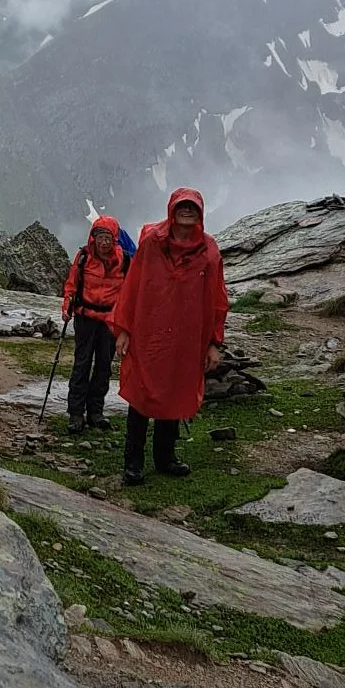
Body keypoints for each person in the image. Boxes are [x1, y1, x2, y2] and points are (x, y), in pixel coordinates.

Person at [113, 188, 226, 486]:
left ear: (200, 212)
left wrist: (214, 343)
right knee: (141, 394)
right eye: (181, 206)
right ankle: (133, 462)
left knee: (174, 393)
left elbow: (218, 300)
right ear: (171, 210)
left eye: (192, 207)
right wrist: (123, 329)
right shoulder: (152, 243)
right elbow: (133, 287)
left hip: (187, 339)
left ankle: (165, 458)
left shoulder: (210, 252)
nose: (186, 211)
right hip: (148, 333)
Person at [62, 214, 126, 433]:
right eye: (100, 237)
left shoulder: (124, 261)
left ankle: (95, 412)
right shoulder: (83, 258)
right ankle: (76, 413)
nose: (104, 242)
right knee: (82, 364)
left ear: (114, 238)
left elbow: (131, 292)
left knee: (103, 367)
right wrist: (67, 306)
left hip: (110, 321)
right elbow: (72, 285)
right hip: (86, 318)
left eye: (108, 237)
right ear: (93, 238)